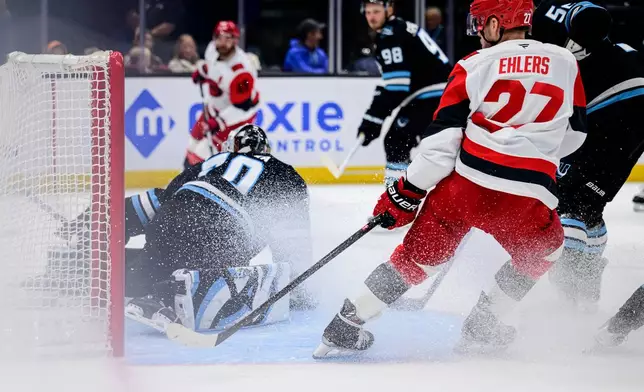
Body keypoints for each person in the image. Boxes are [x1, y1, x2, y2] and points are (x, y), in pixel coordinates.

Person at [312, 0, 587, 358]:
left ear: (494, 24)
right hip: (527, 196)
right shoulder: (566, 63)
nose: (476, 34)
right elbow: (575, 136)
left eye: (478, 25)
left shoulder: (472, 65)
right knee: (544, 251)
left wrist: (404, 193)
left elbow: (440, 146)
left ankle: (344, 325)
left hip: (464, 188)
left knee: (414, 259)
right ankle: (482, 326)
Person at [122, 125, 314, 330]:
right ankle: (168, 296)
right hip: (223, 233)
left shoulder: (211, 163)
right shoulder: (282, 171)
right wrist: (297, 286)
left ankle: (104, 272)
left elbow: (163, 199)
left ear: (231, 147)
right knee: (202, 274)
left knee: (150, 266)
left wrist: (122, 221)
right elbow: (293, 236)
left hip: (171, 219)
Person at [531, 1, 644, 311]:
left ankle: (568, 299)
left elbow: (591, 16)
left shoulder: (546, 10)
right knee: (590, 204)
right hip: (629, 107)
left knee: (568, 200)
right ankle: (587, 290)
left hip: (615, 107)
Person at [357, 0, 451, 185]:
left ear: (389, 9)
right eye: (368, 12)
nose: (371, 17)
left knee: (396, 141)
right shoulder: (400, 29)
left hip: (431, 96)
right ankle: (405, 194)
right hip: (438, 94)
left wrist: (373, 121)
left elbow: (396, 88)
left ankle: (396, 204)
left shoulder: (390, 36)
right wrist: (373, 119)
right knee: (401, 141)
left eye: (376, 11)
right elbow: (393, 85)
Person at [187, 21, 261, 168]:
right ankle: (185, 182)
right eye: (219, 38)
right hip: (214, 109)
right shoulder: (212, 49)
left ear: (235, 40)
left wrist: (219, 122)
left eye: (228, 38)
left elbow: (243, 108)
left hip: (235, 120)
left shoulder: (242, 71)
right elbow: (210, 65)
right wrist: (201, 71)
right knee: (191, 145)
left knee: (201, 156)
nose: (222, 43)